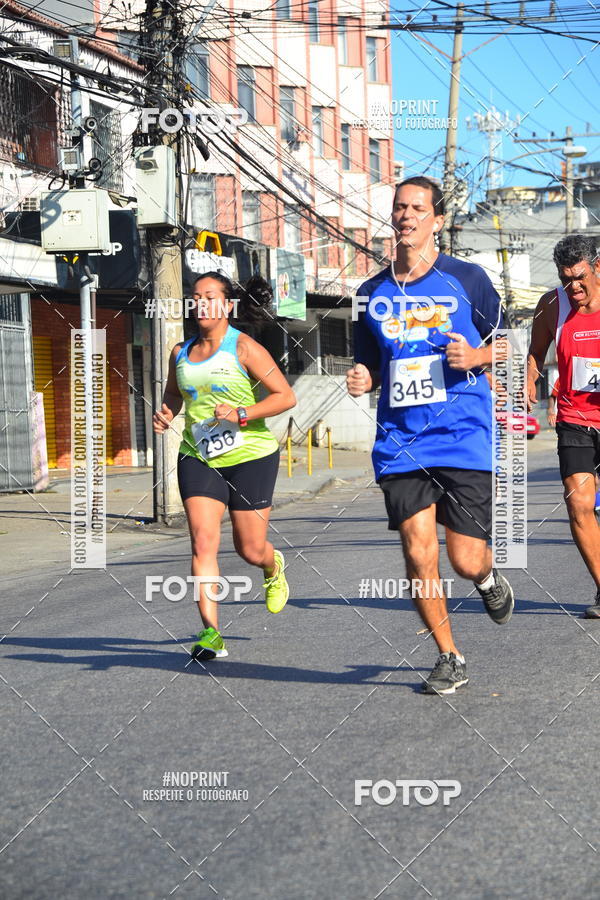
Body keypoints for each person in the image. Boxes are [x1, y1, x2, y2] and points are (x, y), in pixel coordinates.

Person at [347, 175, 514, 695]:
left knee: (464, 558)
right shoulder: (367, 294)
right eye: (400, 207)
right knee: (419, 552)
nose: (406, 215)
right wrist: (364, 377)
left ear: (437, 220)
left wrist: (478, 354)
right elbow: (371, 363)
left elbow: (508, 343)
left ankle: (486, 578)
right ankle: (448, 655)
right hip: (401, 442)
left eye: (418, 208)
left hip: (463, 434)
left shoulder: (467, 278)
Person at [153, 271, 296, 659]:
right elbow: (173, 394)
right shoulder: (180, 352)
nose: (201, 303)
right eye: (196, 297)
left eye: (210, 296)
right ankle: (211, 634)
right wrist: (166, 412)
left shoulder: (244, 348)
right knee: (202, 541)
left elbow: (285, 396)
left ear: (228, 305)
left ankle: (272, 565)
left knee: (249, 548)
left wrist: (241, 413)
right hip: (199, 456)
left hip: (251, 456)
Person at [527, 234, 600, 618]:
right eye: (565, 278)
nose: (573, 287)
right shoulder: (551, 305)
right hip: (575, 418)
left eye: (580, 277)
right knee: (579, 502)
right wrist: (528, 381)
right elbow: (535, 353)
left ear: (597, 268)